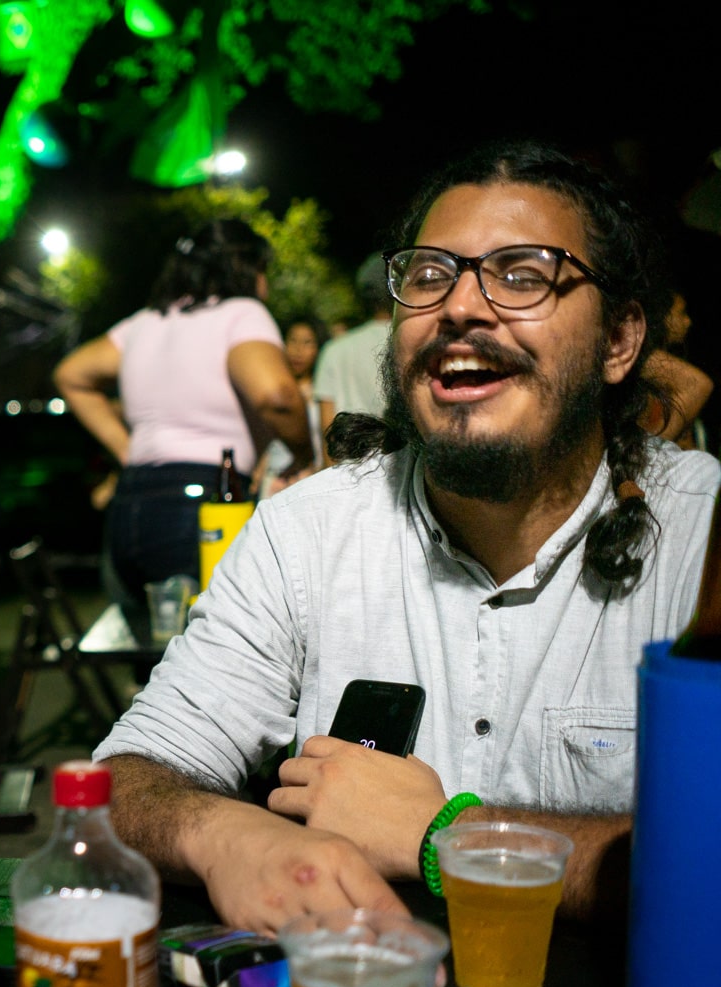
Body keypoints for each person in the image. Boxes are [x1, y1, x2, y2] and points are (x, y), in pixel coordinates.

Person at [92, 141, 721, 937]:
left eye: (522, 273)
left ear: (621, 341)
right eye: (429, 274)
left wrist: (450, 837)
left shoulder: (701, 536)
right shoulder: (306, 530)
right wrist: (226, 836)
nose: (460, 305)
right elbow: (117, 781)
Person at [54, 220, 313, 607]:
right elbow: (277, 395)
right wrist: (303, 452)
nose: (267, 286)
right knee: (214, 657)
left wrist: (125, 449)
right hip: (205, 509)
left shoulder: (144, 322)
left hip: (130, 508)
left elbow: (70, 375)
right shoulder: (242, 313)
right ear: (247, 269)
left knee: (149, 653)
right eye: (264, 272)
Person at [314, 256, 395, 463]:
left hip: (346, 468)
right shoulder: (408, 344)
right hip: (398, 470)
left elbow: (326, 426)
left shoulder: (335, 349)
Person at [252, 317, 326, 500]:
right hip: (274, 480)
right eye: (292, 340)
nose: (298, 350)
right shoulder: (273, 390)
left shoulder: (323, 394)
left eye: (307, 342)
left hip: (311, 480)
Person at [641, 290, 712, 447]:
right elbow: (698, 385)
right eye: (682, 313)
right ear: (663, 318)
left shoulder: (673, 362)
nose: (688, 322)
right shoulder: (643, 361)